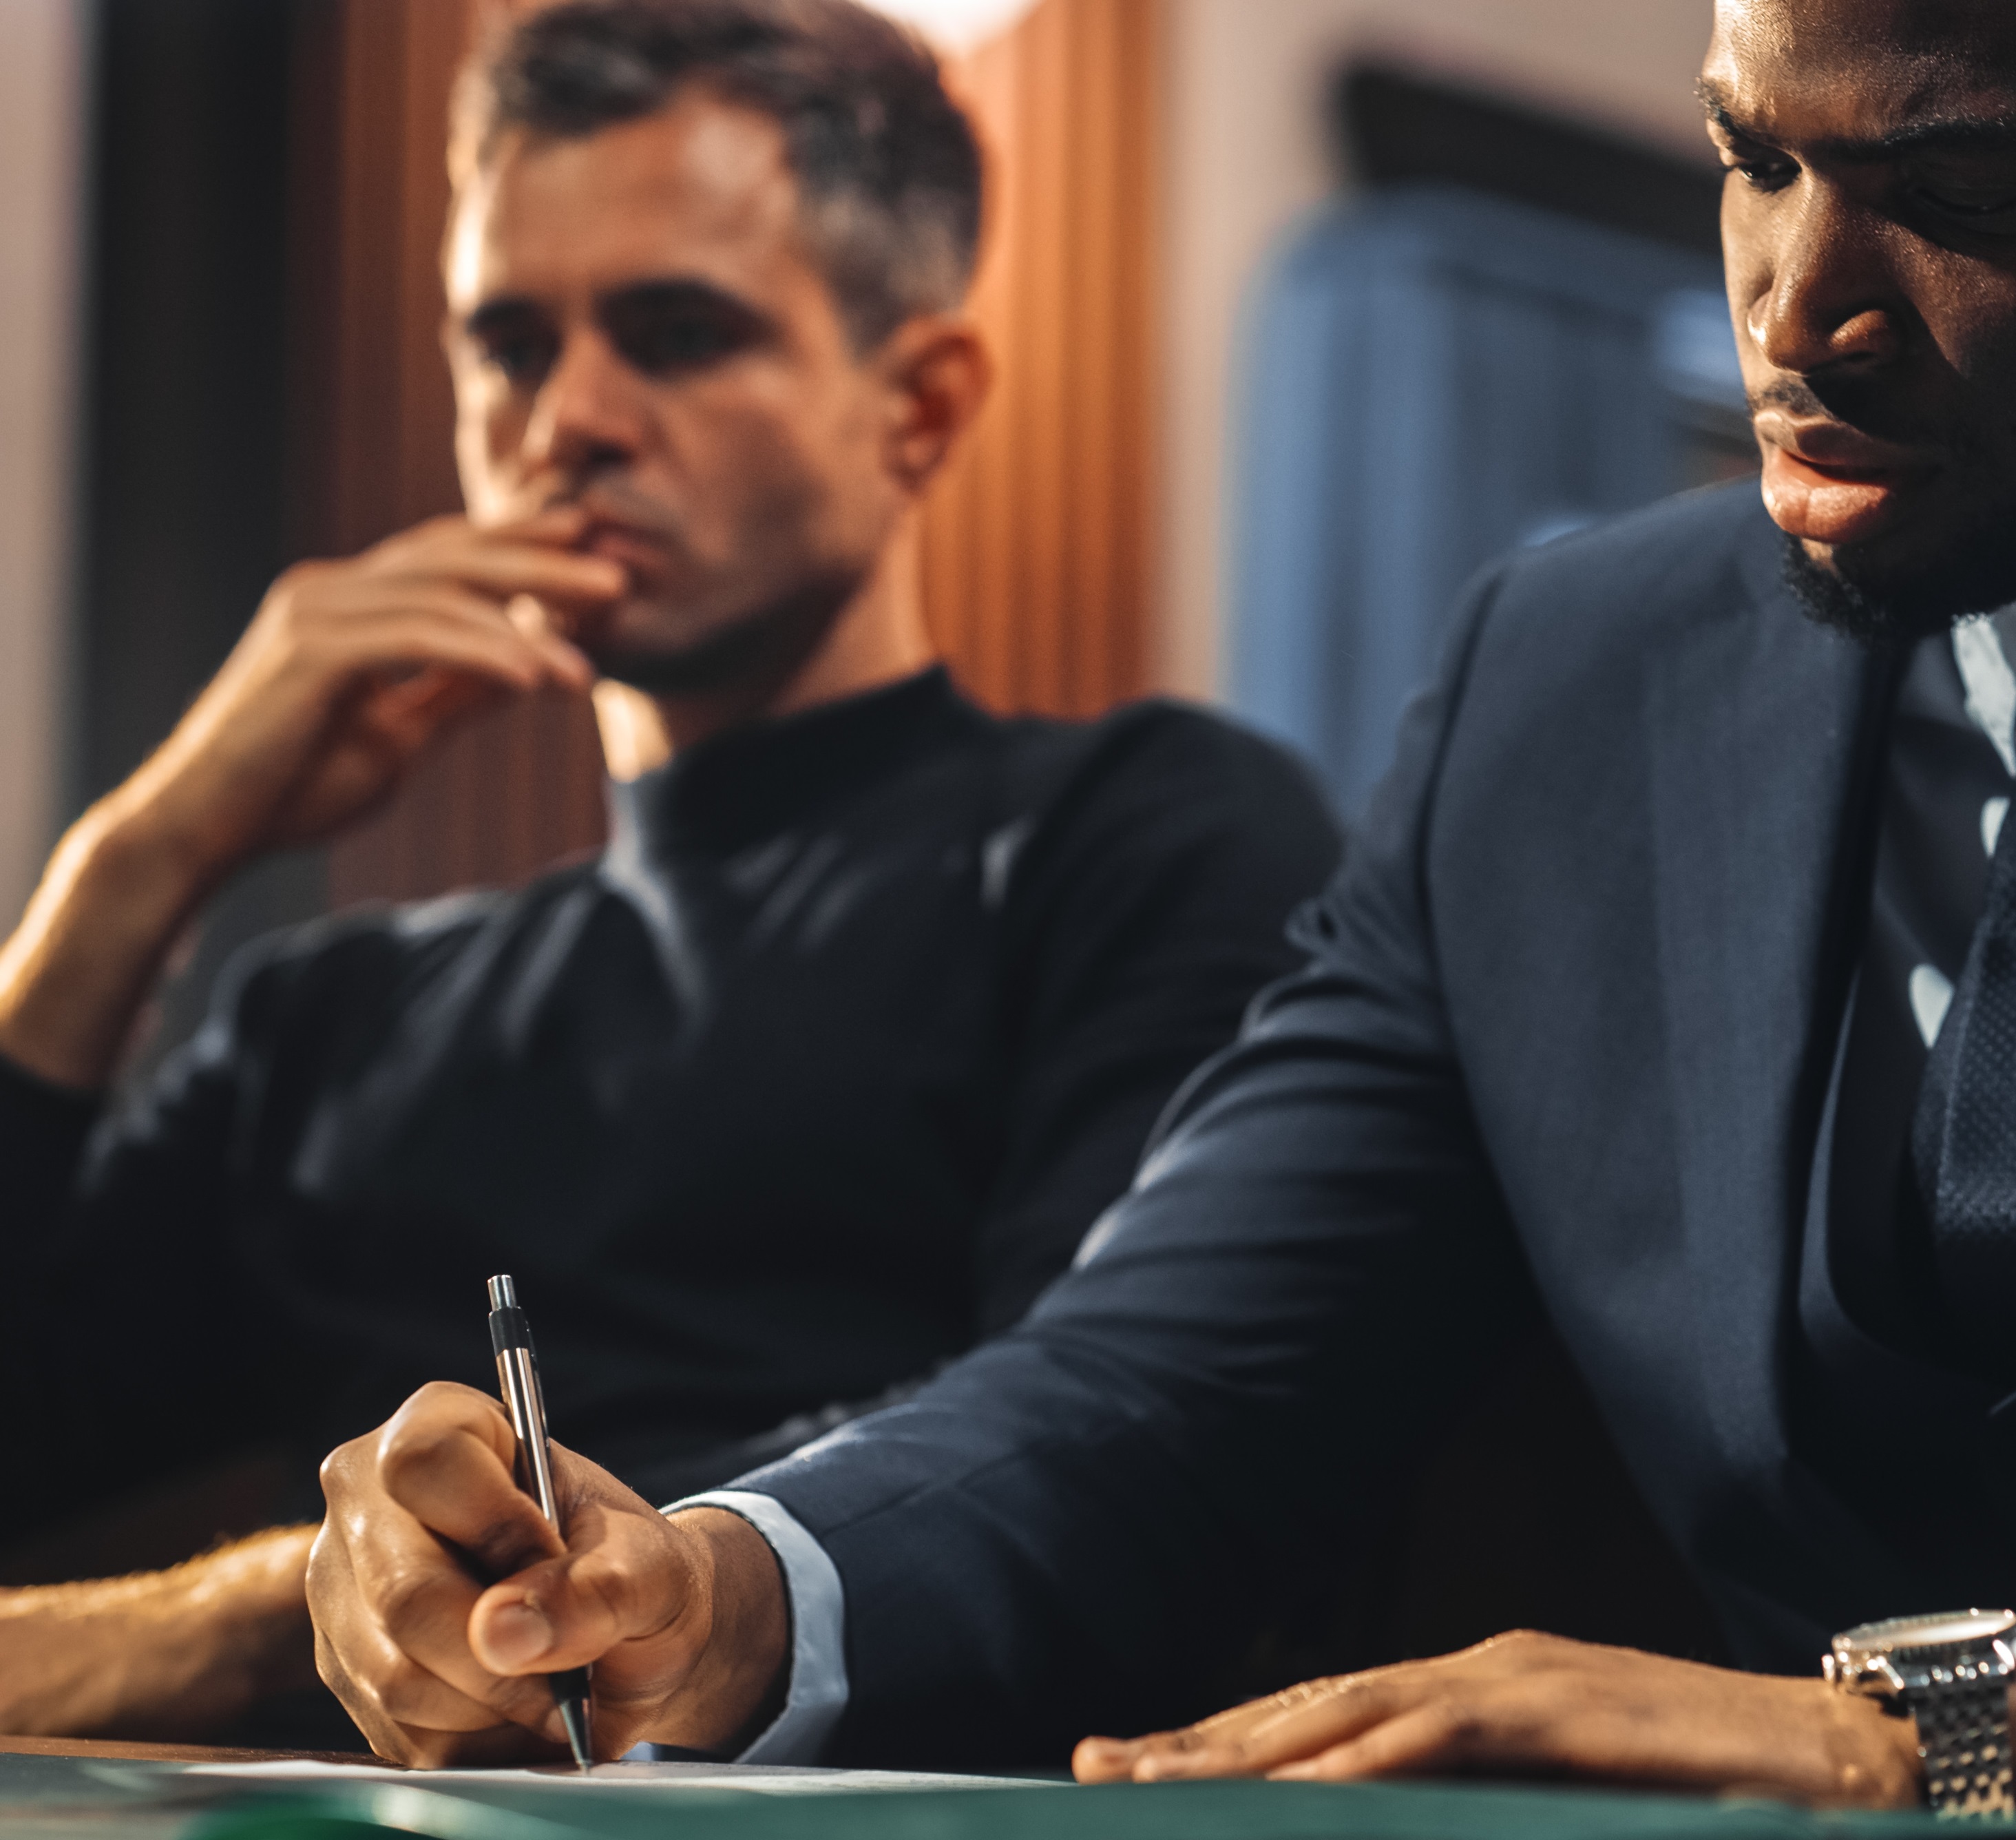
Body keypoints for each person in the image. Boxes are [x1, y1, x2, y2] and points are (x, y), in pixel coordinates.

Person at [314, 0, 2016, 1840]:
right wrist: (722, 1592)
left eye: (1959, 192)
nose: (1793, 304)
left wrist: (1935, 1747)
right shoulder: (1566, 676)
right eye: (1751, 155)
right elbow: (1176, 1374)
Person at [0, 0, 1336, 1743]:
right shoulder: (331, 1014)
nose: (567, 420)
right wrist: (135, 858)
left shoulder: (1140, 835)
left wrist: (279, 1623)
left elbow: (1105, 1443)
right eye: (509, 343)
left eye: (676, 332)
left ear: (920, 404)